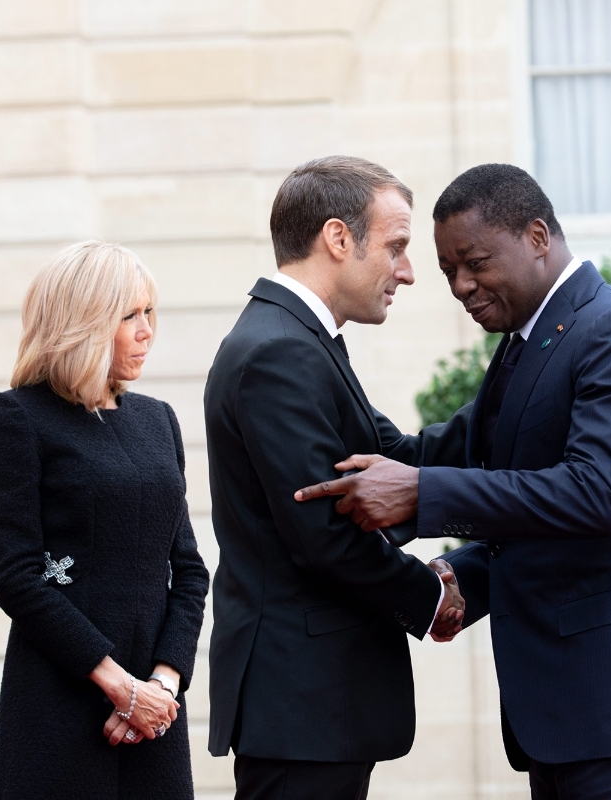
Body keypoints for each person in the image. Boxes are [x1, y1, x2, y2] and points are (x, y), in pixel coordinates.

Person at [296, 164, 611, 800]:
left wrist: (424, 494)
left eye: (475, 262)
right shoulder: (525, 342)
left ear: (538, 236)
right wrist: (460, 577)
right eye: (450, 268)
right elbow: (493, 485)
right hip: (570, 705)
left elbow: (596, 496)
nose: (460, 285)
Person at [203, 156, 466, 800]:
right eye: (397, 247)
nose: (407, 271)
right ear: (339, 238)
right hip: (302, 702)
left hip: (315, 706)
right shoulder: (279, 351)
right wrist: (429, 596)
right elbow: (323, 532)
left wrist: (515, 394)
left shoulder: (299, 339)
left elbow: (400, 456)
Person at [0, 241, 210, 800]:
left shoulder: (159, 421)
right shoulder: (18, 417)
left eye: (149, 313)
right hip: (59, 704)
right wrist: (115, 684)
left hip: (153, 714)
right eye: (128, 315)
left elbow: (190, 571)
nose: (146, 330)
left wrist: (159, 686)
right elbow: (17, 577)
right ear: (82, 323)